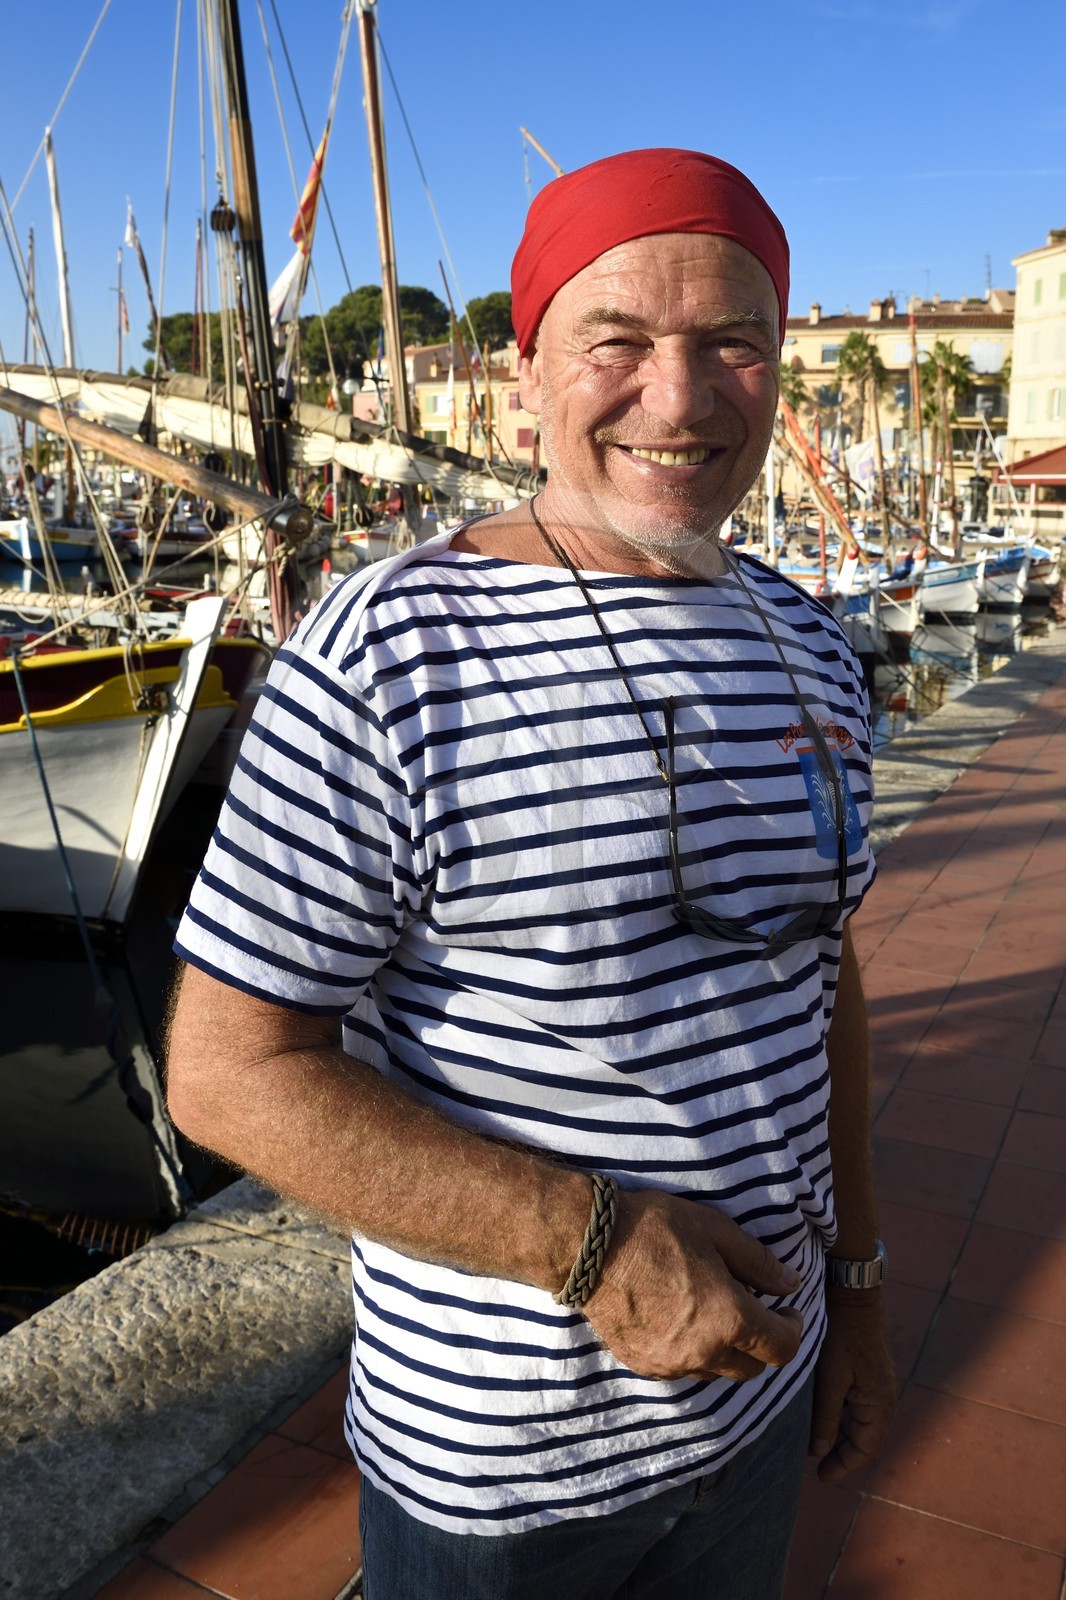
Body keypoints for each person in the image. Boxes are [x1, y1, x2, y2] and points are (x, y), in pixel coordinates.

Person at [167, 148, 895, 1599]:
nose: (679, 399)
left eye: (732, 343)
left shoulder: (811, 643)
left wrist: (860, 1290)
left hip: (760, 1393)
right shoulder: (390, 656)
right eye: (616, 341)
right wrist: (594, 1246)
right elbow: (226, 1071)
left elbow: (822, 979)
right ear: (527, 372)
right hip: (501, 1475)